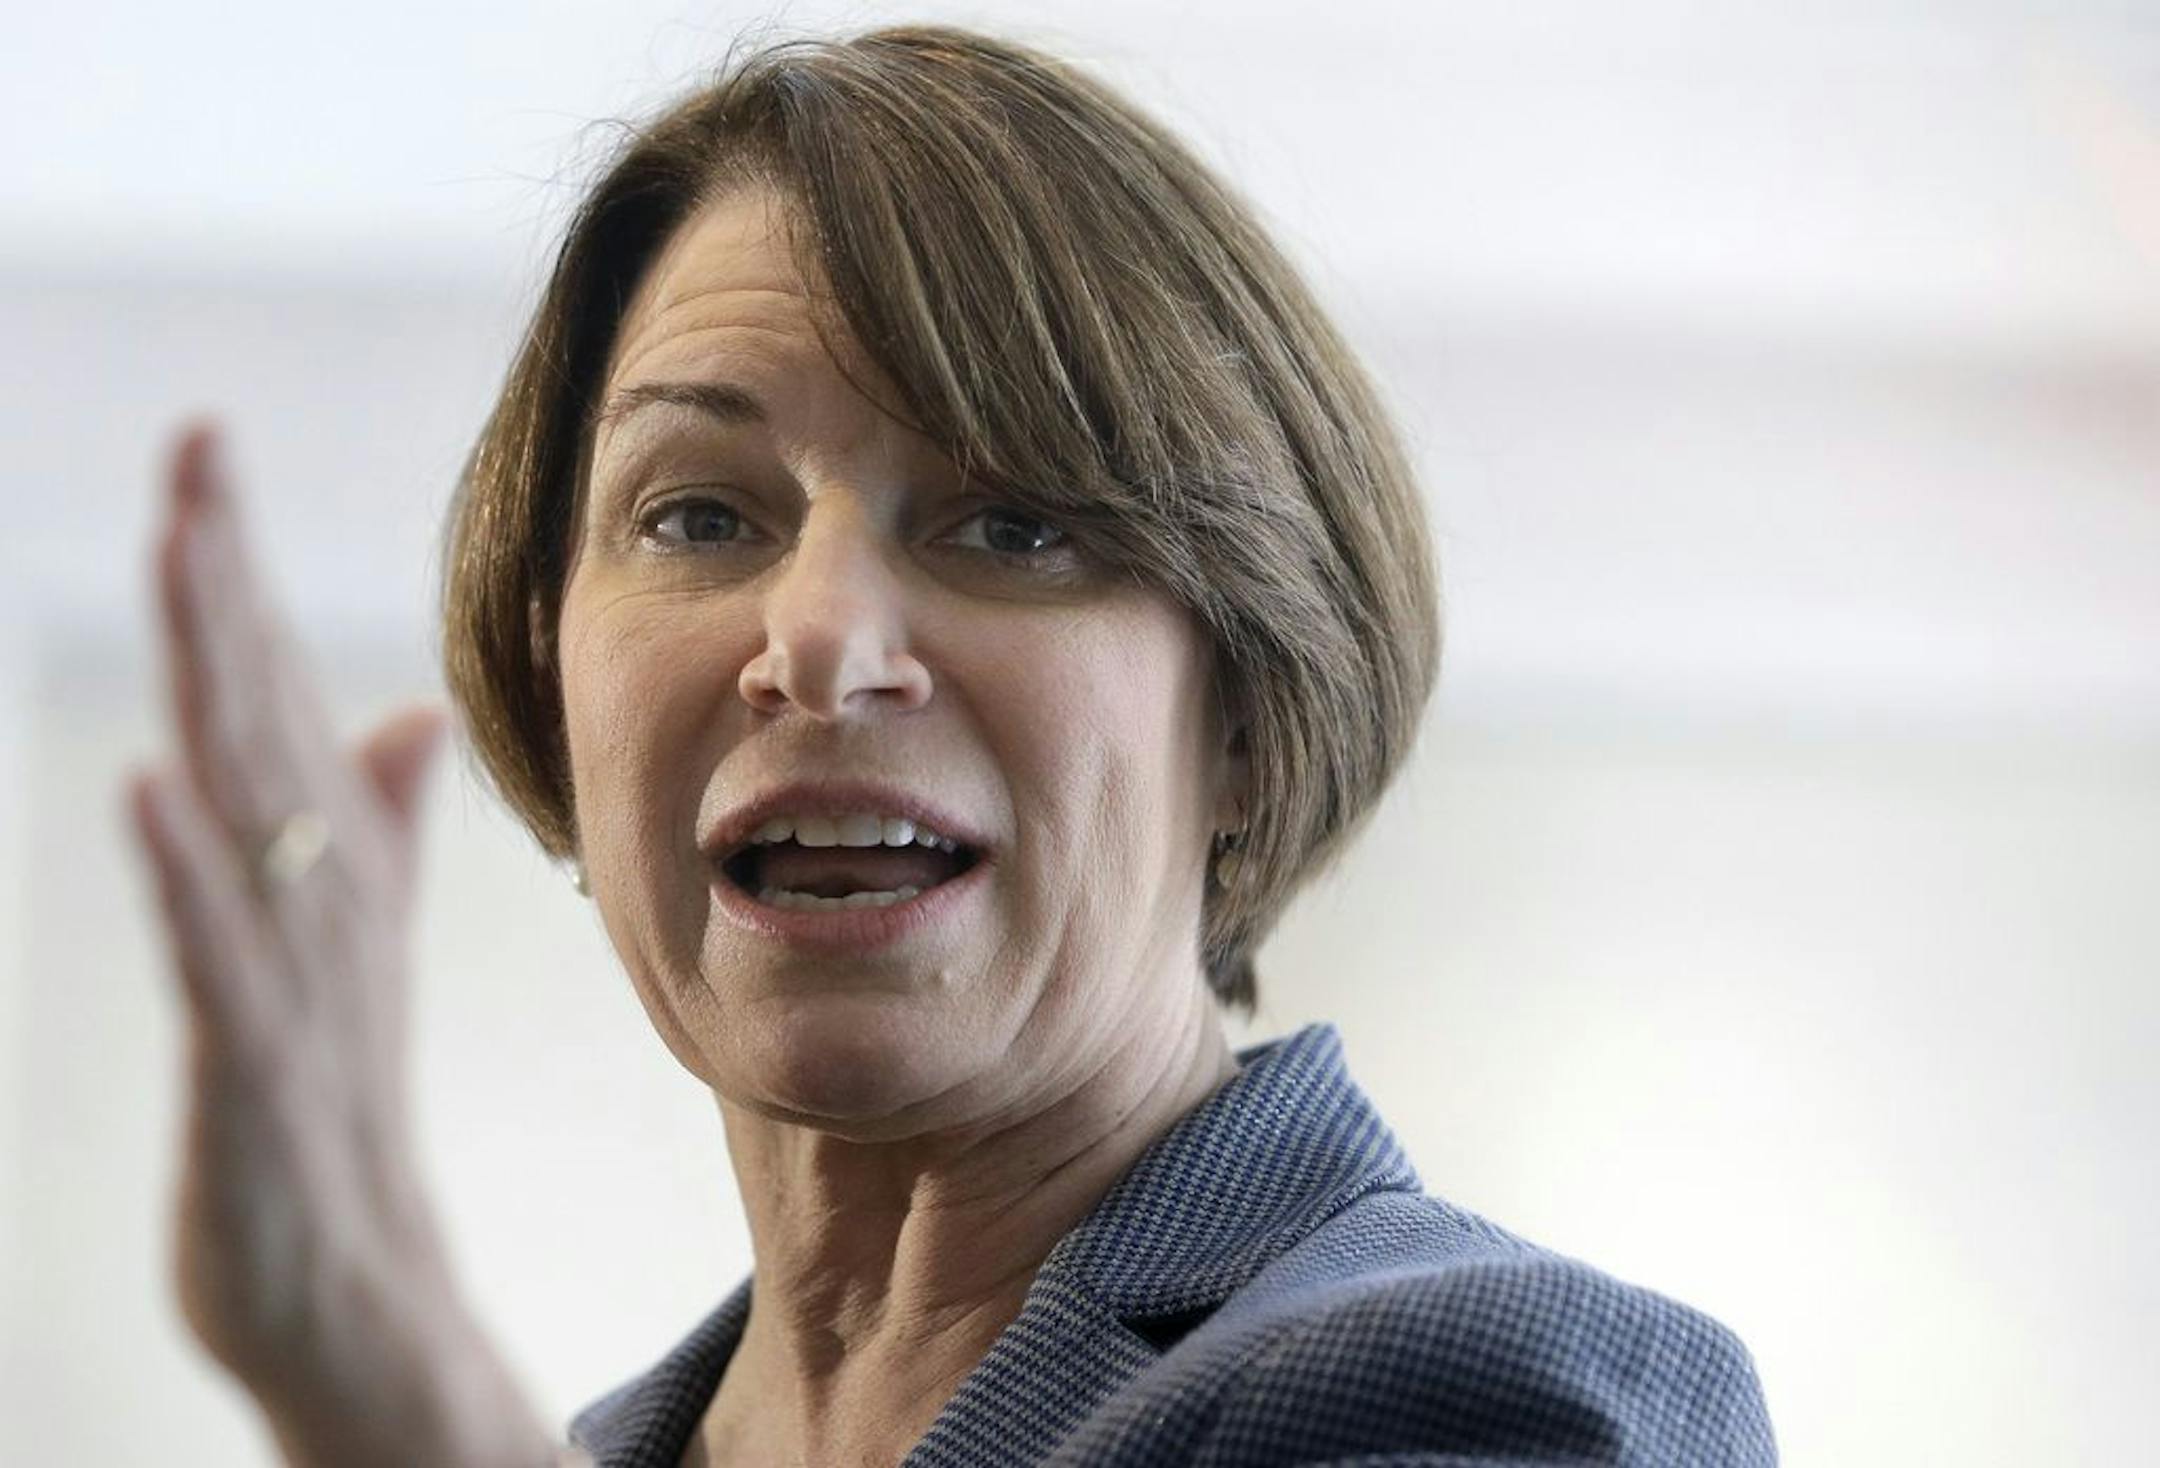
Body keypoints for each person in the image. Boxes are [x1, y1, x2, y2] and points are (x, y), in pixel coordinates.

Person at [129, 25, 1777, 1468]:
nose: (820, 641)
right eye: (699, 513)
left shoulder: (1513, 1396)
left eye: (1013, 527)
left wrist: (388, 1388)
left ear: (1253, 727)